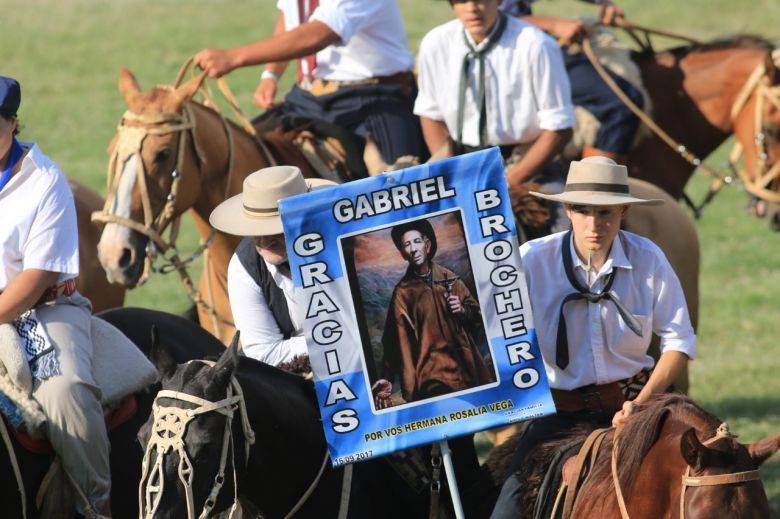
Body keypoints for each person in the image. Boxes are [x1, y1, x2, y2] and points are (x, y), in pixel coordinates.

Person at [490, 156, 696, 518]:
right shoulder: (531, 260)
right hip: (559, 414)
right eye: (584, 211)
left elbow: (678, 342)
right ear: (568, 210)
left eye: (606, 213)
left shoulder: (649, 260)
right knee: (507, 511)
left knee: (699, 492)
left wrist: (641, 406)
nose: (594, 225)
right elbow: (495, 334)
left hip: (638, 407)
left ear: (623, 212)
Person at [0, 77, 111, 517]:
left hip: (40, 309)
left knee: (66, 391)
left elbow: (34, 279)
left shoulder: (45, 183)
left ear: (11, 123)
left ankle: (94, 505)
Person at [194, 0, 425, 166]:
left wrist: (233, 57)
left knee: (402, 189)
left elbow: (320, 33)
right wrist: (271, 74)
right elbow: (291, 17)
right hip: (309, 96)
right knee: (242, 154)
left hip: (375, 95)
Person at [415, 0, 575, 230]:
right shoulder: (436, 42)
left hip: (526, 162)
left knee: (559, 233)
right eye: (461, 1)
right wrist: (449, 173)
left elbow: (559, 128)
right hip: (462, 161)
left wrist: (508, 183)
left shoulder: (536, 44)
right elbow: (430, 113)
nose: (472, 8)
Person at [209, 165, 335, 365]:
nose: (266, 239)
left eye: (277, 228)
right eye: (258, 228)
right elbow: (263, 352)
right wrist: (334, 338)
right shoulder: (245, 267)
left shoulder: (342, 240)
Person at [499, 0, 644, 164]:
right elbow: (489, 17)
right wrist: (553, 24)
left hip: (529, 41)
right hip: (505, 53)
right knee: (619, 103)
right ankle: (595, 185)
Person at [372, 219, 495, 409]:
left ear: (427, 245)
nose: (413, 249)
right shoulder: (402, 294)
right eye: (406, 244)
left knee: (466, 435)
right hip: (431, 379)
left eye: (416, 242)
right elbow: (392, 342)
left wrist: (462, 311)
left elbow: (479, 318)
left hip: (465, 371)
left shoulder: (449, 278)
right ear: (403, 253)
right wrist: (387, 379)